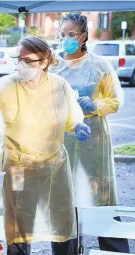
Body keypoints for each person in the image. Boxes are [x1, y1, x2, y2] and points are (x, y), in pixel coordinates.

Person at [0, 36, 92, 255]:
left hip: (54, 166)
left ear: (44, 62)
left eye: (29, 61)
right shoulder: (4, 86)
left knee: (62, 222)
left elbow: (70, 113)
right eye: (19, 60)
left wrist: (78, 125)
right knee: (18, 226)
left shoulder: (59, 85)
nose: (22, 65)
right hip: (18, 167)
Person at [51, 13, 129, 253]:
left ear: (84, 36)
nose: (66, 39)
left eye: (72, 34)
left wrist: (95, 106)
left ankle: (113, 249)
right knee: (64, 197)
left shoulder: (100, 66)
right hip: (62, 140)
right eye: (63, 34)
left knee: (101, 194)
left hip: (93, 141)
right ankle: (64, 250)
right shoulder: (54, 65)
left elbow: (116, 100)